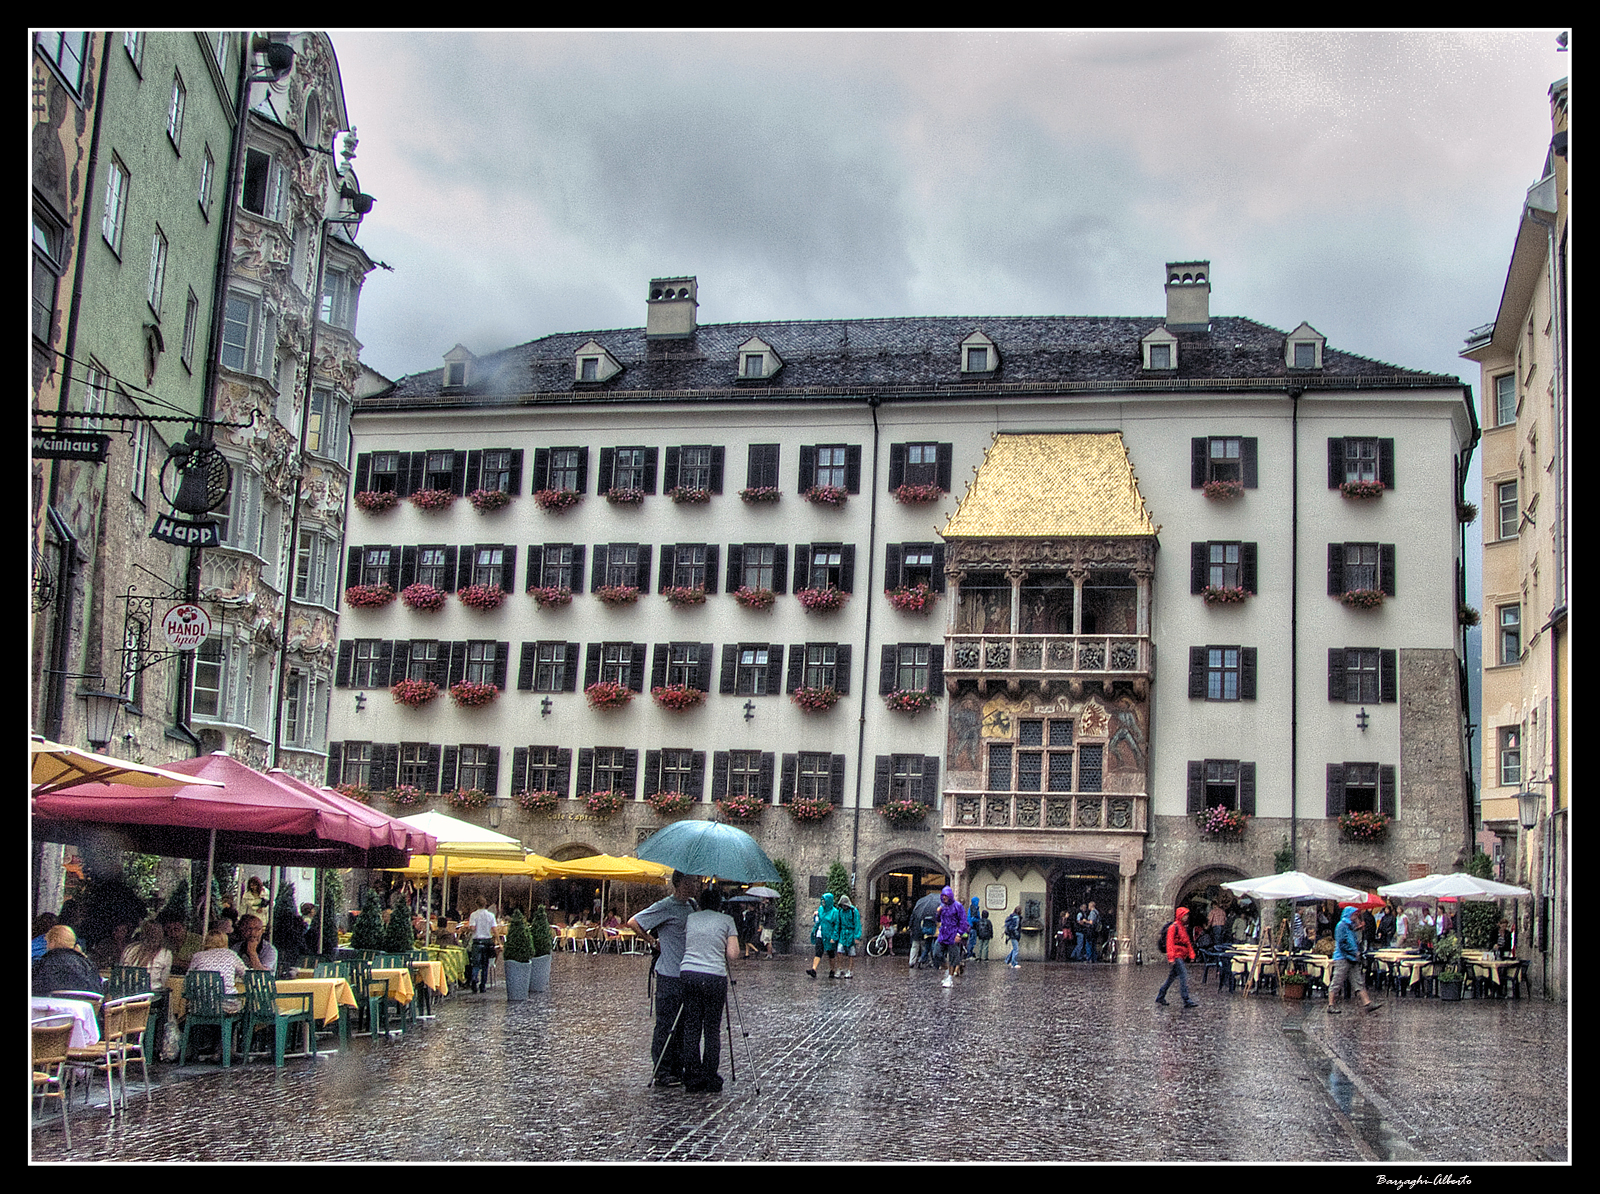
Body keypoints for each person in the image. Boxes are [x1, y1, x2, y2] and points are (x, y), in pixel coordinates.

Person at [629, 871, 700, 1087]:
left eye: (695, 882)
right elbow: (634, 922)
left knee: (684, 1025)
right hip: (669, 973)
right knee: (666, 1023)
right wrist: (652, 941)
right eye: (690, 883)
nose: (694, 886)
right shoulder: (665, 905)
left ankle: (678, 1067)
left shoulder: (694, 906)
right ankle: (662, 1069)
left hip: (688, 973)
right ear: (679, 884)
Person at [677, 886, 742, 1094]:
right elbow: (733, 954)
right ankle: (710, 1076)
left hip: (689, 973)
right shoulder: (726, 921)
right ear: (719, 903)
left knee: (692, 1026)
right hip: (714, 976)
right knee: (712, 1028)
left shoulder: (692, 918)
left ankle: (692, 1076)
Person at [1328, 907, 1381, 1014]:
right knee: (1337, 981)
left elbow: (1355, 941)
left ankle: (1367, 1003)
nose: (1356, 916)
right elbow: (1342, 943)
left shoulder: (1350, 927)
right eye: (1354, 915)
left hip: (1352, 959)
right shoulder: (1341, 926)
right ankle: (1330, 1005)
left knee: (1358, 981)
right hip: (1343, 958)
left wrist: (1358, 928)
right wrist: (1352, 952)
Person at [33, 924, 104, 997]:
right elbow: (98, 991)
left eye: (47, 942)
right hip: (85, 1006)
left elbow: (36, 991)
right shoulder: (89, 965)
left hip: (54, 1007)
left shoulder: (43, 964)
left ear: (52, 942)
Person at [187, 931, 248, 1013]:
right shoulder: (231, 954)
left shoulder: (198, 956)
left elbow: (188, 978)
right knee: (245, 1005)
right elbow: (246, 975)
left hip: (200, 1005)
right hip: (226, 1005)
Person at [1154, 906, 1199, 1008]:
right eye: (1185, 915)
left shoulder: (1182, 928)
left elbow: (1187, 942)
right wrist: (1171, 958)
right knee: (1183, 975)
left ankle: (1161, 995)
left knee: (1171, 977)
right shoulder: (1174, 927)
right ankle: (1186, 999)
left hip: (1181, 956)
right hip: (1176, 956)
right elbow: (1169, 943)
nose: (1187, 917)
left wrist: (1192, 955)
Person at [120, 920, 174, 988]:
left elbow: (121, 971)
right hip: (152, 994)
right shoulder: (166, 954)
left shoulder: (129, 949)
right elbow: (163, 980)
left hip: (128, 992)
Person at [934, 886, 969, 988]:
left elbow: (963, 921)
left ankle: (949, 977)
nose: (944, 898)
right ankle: (945, 968)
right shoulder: (942, 906)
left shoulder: (958, 906)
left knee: (953, 957)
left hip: (953, 934)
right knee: (936, 953)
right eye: (943, 896)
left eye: (946, 896)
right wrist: (938, 912)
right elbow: (938, 919)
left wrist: (959, 934)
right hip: (943, 934)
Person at [465, 897, 498, 993]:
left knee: (475, 964)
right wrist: (498, 941)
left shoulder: (474, 915)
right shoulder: (491, 915)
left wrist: (467, 929)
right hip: (487, 941)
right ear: (485, 904)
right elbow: (495, 929)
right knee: (485, 965)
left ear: (476, 904)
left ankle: (474, 979)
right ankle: (482, 986)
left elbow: (472, 928)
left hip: (477, 941)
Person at [809, 892, 842, 979]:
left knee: (831, 953)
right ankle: (814, 969)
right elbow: (817, 921)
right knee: (818, 951)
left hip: (829, 935)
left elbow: (836, 925)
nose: (823, 902)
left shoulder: (835, 912)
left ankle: (832, 970)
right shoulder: (821, 909)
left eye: (824, 901)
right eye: (822, 900)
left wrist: (834, 937)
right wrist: (815, 916)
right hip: (820, 934)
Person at [909, 888, 942, 970]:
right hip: (934, 933)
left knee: (923, 948)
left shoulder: (921, 913)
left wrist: (911, 929)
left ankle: (919, 960)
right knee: (933, 948)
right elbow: (939, 924)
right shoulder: (935, 915)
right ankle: (934, 962)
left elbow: (915, 923)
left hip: (926, 933)